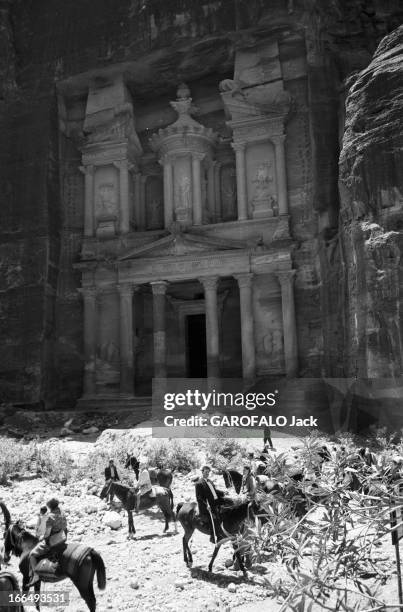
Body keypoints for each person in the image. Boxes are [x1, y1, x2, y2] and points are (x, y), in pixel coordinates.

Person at [29, 498, 67, 586]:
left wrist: (42, 537)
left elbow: (47, 534)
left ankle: (36, 576)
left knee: (32, 554)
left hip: (53, 541)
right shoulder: (62, 514)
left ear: (50, 506)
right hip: (62, 538)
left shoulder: (50, 517)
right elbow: (65, 527)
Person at [195, 465, 225, 544]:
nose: (207, 473)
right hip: (207, 505)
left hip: (215, 502)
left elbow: (215, 491)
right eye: (206, 472)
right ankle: (213, 536)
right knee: (213, 517)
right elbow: (199, 497)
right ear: (202, 472)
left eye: (208, 472)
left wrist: (223, 492)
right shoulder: (199, 483)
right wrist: (206, 505)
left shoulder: (210, 481)